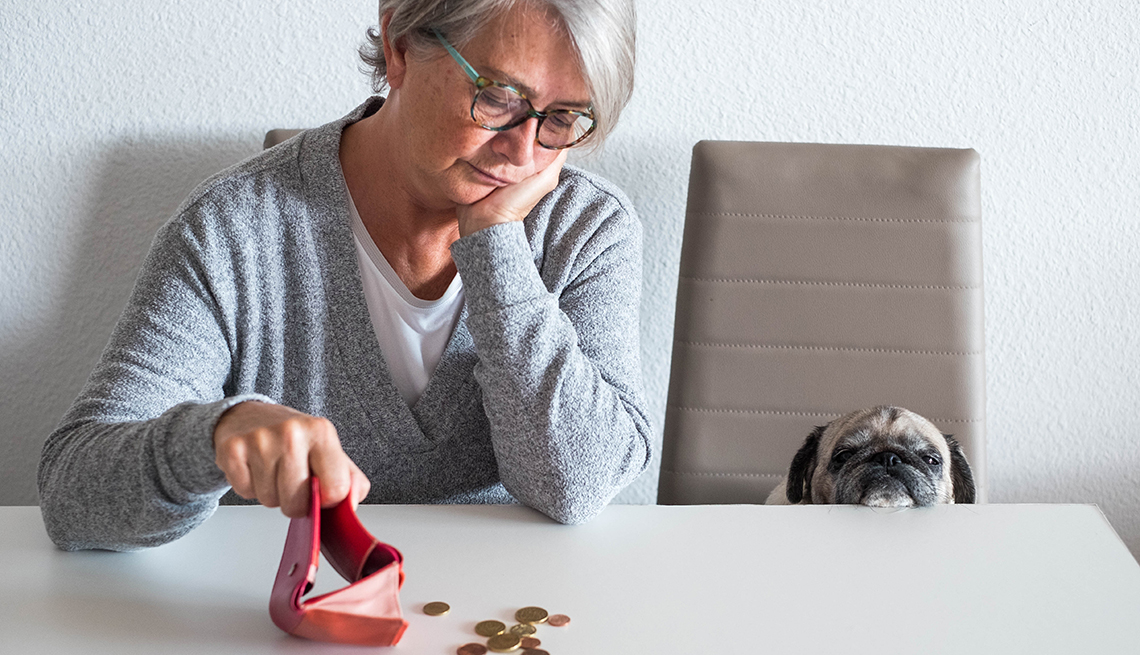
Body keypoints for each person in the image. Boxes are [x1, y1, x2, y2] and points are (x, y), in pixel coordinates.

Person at [37, 0, 651, 552]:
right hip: (277, 613)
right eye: (496, 98)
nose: (522, 155)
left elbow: (576, 484)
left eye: (563, 118)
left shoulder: (586, 228)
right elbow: (73, 496)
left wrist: (496, 247)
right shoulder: (234, 229)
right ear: (400, 45)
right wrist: (215, 436)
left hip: (506, 616)